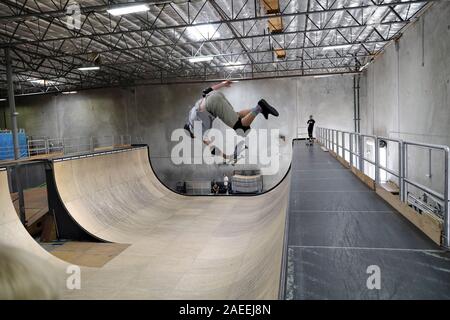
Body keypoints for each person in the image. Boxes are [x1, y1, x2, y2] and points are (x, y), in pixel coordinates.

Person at [184, 80, 279, 160]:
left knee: (241, 129)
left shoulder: (195, 130)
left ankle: (260, 107)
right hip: (215, 96)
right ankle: (262, 110)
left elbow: (212, 149)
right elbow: (206, 91)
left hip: (213, 105)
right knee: (237, 116)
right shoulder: (192, 114)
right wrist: (223, 84)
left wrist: (228, 157)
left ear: (191, 133)